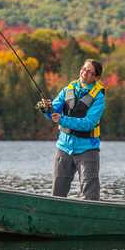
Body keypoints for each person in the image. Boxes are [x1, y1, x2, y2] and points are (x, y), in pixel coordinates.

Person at [40, 59, 106, 201]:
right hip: (64, 147)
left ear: (96, 77)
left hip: (88, 149)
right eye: (83, 69)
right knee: (57, 192)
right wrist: (46, 109)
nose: (84, 73)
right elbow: (53, 112)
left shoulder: (99, 97)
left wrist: (62, 119)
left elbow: (88, 123)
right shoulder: (67, 89)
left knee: (90, 194)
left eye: (89, 72)